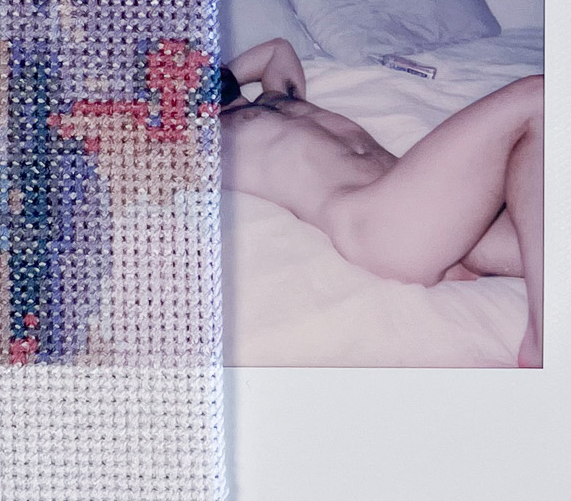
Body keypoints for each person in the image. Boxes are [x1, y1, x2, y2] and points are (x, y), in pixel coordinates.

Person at [217, 37, 544, 368]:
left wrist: (219, 74)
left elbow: (278, 49)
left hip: (439, 223)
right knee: (537, 96)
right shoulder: (212, 137)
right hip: (377, 226)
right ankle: (540, 343)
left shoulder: (279, 97)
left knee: (562, 243)